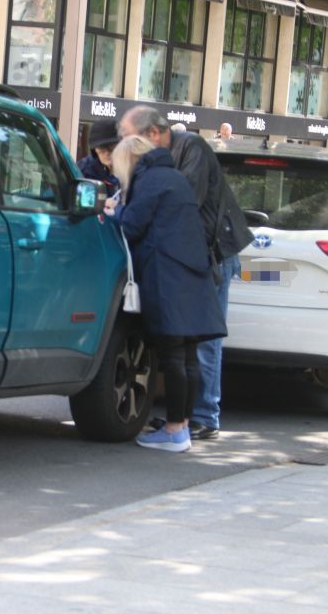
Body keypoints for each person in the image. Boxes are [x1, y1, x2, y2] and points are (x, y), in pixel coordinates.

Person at [119, 106, 254, 440]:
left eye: (128, 137)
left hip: (207, 255)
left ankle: (201, 417)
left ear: (152, 134)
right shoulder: (166, 163)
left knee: (198, 342)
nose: (125, 145)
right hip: (193, 257)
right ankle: (184, 419)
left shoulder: (189, 149)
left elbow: (182, 203)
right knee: (190, 345)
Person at [104, 135, 226, 452]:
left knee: (173, 357)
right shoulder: (174, 177)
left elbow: (131, 226)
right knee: (188, 358)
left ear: (129, 159)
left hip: (167, 276)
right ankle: (182, 426)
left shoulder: (148, 181)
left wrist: (114, 211)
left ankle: (173, 431)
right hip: (192, 275)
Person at [77, 119, 120, 196]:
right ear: (95, 150)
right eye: (101, 149)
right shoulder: (85, 171)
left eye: (111, 148)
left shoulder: (130, 168)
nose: (106, 153)